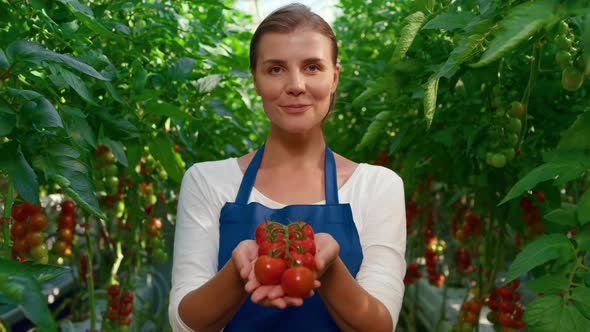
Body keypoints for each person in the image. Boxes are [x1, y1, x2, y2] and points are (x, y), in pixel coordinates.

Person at [168, 3, 406, 331]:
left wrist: (331, 268)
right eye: (275, 69)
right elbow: (184, 322)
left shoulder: (378, 186)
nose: (295, 84)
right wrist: (238, 273)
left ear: (334, 77)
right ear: (255, 80)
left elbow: (382, 324)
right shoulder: (206, 181)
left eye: (312, 67)